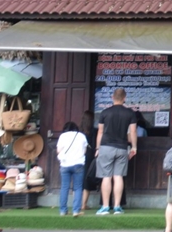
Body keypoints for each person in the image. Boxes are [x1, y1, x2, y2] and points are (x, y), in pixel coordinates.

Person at [95, 87, 137, 215]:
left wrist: (98, 148)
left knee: (106, 177)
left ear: (112, 97)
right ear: (124, 98)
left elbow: (100, 132)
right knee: (118, 176)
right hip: (122, 147)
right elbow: (133, 131)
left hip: (106, 146)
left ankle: (106, 207)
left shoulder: (105, 112)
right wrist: (134, 147)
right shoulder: (130, 113)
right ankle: (117, 206)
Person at [57, 121, 88, 217]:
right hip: (78, 163)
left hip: (65, 164)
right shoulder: (82, 136)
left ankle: (63, 210)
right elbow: (84, 151)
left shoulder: (63, 136)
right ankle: (76, 210)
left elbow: (58, 151)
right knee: (78, 187)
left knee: (64, 187)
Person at [80, 110, 98, 212]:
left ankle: (77, 203)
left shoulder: (79, 131)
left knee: (78, 180)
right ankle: (84, 204)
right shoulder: (93, 131)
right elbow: (95, 145)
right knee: (86, 180)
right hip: (89, 156)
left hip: (78, 156)